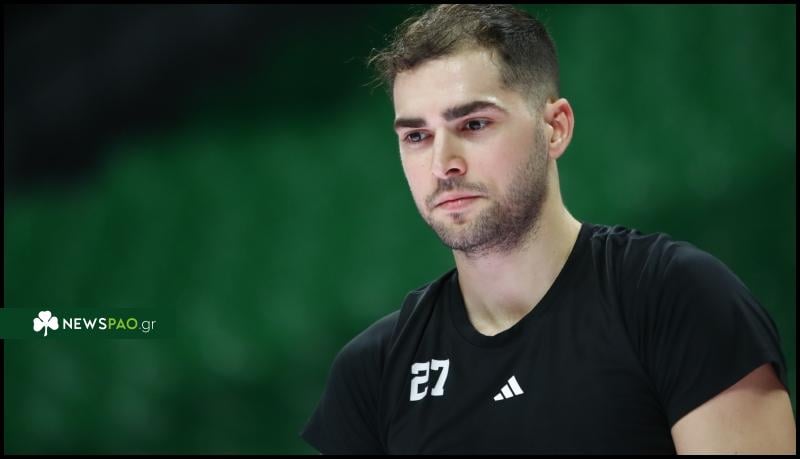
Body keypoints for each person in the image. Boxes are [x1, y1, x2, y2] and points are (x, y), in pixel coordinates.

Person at [300, 4, 795, 454]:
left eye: (474, 124)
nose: (442, 163)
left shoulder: (675, 297)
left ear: (555, 127)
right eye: (416, 136)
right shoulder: (373, 371)